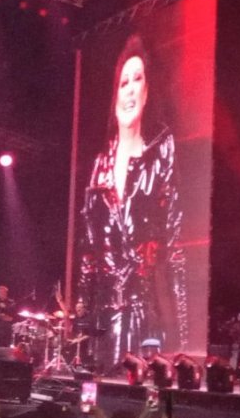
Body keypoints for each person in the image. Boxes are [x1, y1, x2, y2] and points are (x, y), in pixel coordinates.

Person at [80, 34, 188, 372]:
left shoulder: (161, 149)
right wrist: (83, 311)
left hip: (145, 316)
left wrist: (182, 340)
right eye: (123, 82)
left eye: (137, 79)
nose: (129, 89)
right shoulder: (99, 164)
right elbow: (89, 251)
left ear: (147, 90)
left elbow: (175, 243)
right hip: (104, 317)